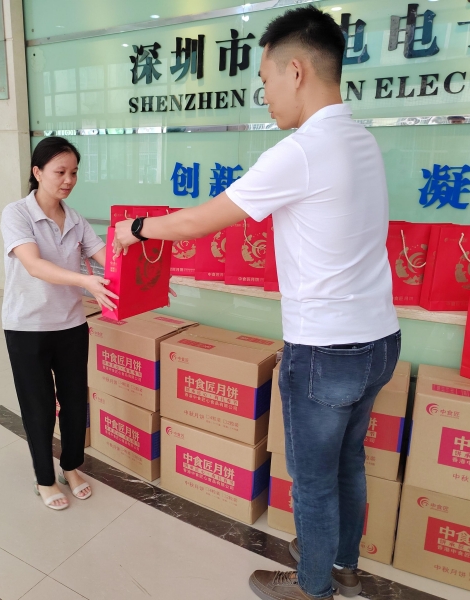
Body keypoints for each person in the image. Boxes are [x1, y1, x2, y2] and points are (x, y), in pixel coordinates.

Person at [114, 6, 400, 600]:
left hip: (325, 349)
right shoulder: (362, 140)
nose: (264, 95)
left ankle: (313, 588)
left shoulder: (302, 151)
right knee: (348, 462)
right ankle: (342, 565)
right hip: (379, 341)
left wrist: (135, 229)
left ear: (296, 71)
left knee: (314, 481)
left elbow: (198, 222)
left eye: (266, 80)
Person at [0, 136, 118, 511]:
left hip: (70, 325)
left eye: (74, 172)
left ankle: (70, 466)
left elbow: (105, 257)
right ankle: (44, 478)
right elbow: (34, 265)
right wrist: (85, 281)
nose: (68, 180)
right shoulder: (16, 214)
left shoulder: (76, 219)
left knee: (74, 402)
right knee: (38, 406)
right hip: (27, 327)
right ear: (37, 172)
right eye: (60, 172)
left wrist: (145, 280)